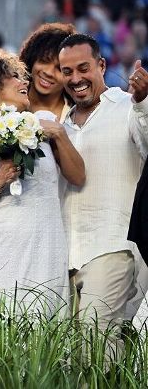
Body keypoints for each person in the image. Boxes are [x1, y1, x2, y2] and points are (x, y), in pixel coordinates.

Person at [0, 52, 84, 316]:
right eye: (12, 77)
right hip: (5, 245)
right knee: (2, 325)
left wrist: (59, 134)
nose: (22, 81)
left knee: (47, 330)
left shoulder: (44, 125)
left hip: (48, 244)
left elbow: (78, 176)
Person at [59, 33, 148, 354]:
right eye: (67, 72)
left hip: (112, 245)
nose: (76, 78)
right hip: (65, 253)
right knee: (70, 354)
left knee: (95, 341)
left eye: (83, 68)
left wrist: (144, 101)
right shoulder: (60, 124)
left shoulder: (128, 106)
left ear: (101, 65)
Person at [18, 23, 75, 121]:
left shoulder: (77, 116)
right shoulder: (7, 102)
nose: (49, 72)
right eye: (44, 61)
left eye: (59, 69)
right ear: (32, 60)